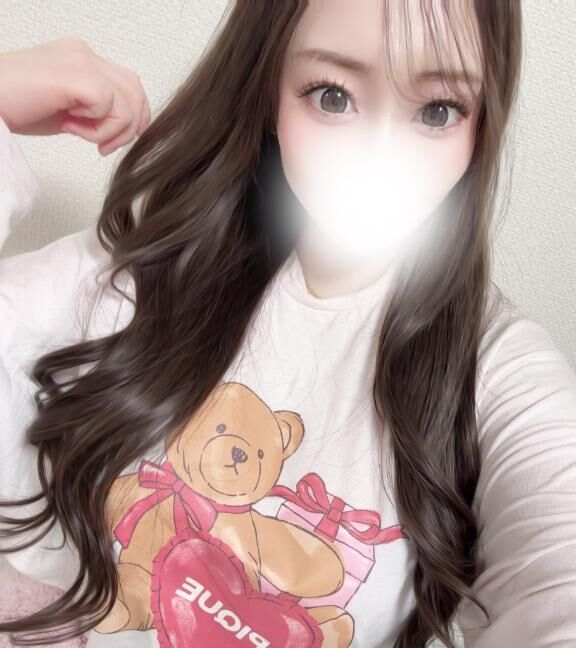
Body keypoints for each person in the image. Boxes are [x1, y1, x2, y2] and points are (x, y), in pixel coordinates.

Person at [0, 2, 575, 648]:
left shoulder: (497, 374)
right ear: (269, 89)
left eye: (438, 111)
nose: (379, 159)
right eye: (333, 96)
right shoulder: (150, 271)